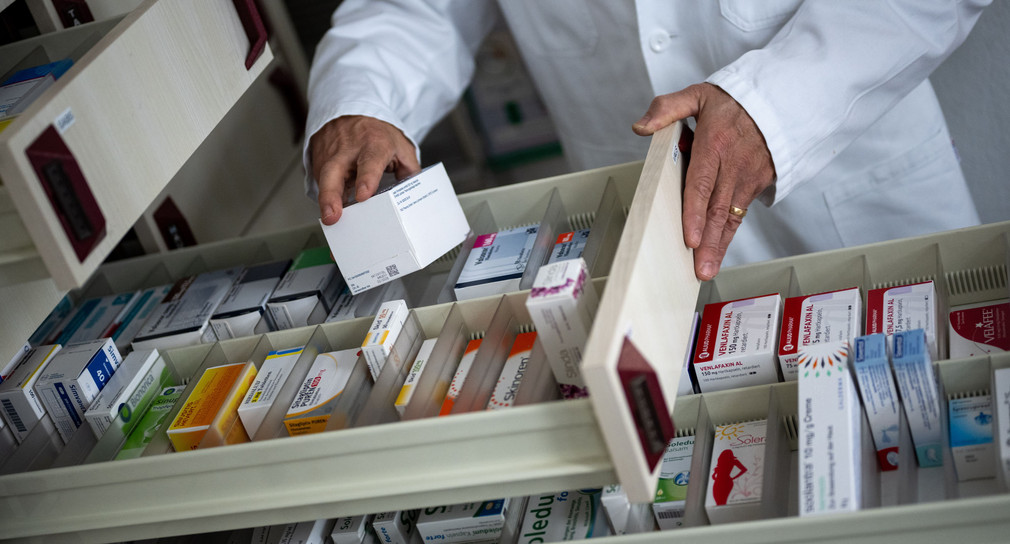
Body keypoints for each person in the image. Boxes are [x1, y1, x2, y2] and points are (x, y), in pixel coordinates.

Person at [304, 1, 989, 281]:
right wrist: (361, 101)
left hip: (855, 187)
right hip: (644, 227)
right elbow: (415, 10)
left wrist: (774, 106)